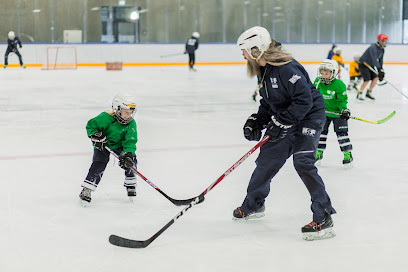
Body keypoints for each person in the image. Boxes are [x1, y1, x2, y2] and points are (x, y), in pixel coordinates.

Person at [235, 26, 336, 241]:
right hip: (287, 118)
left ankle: (324, 215)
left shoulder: (286, 68)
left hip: (309, 117)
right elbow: (269, 101)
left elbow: (304, 100)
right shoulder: (263, 69)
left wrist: (281, 122)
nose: (242, 54)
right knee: (265, 162)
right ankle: (254, 204)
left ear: (256, 50)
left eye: (244, 50)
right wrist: (258, 121)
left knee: (303, 163)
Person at [79, 94, 138, 205]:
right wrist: (95, 136)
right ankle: (87, 189)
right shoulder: (105, 118)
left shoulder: (131, 123)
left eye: (131, 112)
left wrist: (128, 153)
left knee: (131, 161)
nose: (129, 116)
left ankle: (131, 185)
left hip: (120, 146)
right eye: (126, 112)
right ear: (117, 109)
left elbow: (130, 140)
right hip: (103, 144)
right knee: (99, 164)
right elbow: (91, 126)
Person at [314, 59, 353, 166]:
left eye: (326, 73)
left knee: (342, 134)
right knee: (321, 133)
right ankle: (318, 152)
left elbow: (342, 100)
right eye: (322, 73)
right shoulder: (317, 82)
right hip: (323, 113)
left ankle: (347, 153)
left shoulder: (339, 85)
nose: (323, 75)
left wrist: (344, 110)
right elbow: (314, 96)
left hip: (338, 114)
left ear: (333, 72)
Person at [356, 33, 388, 100]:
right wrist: (378, 69)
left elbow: (380, 60)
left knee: (376, 78)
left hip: (370, 65)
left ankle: (369, 92)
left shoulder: (382, 50)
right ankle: (360, 93)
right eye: (385, 41)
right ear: (380, 41)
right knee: (367, 79)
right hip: (363, 64)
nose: (386, 43)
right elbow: (374, 58)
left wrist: (381, 70)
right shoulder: (373, 47)